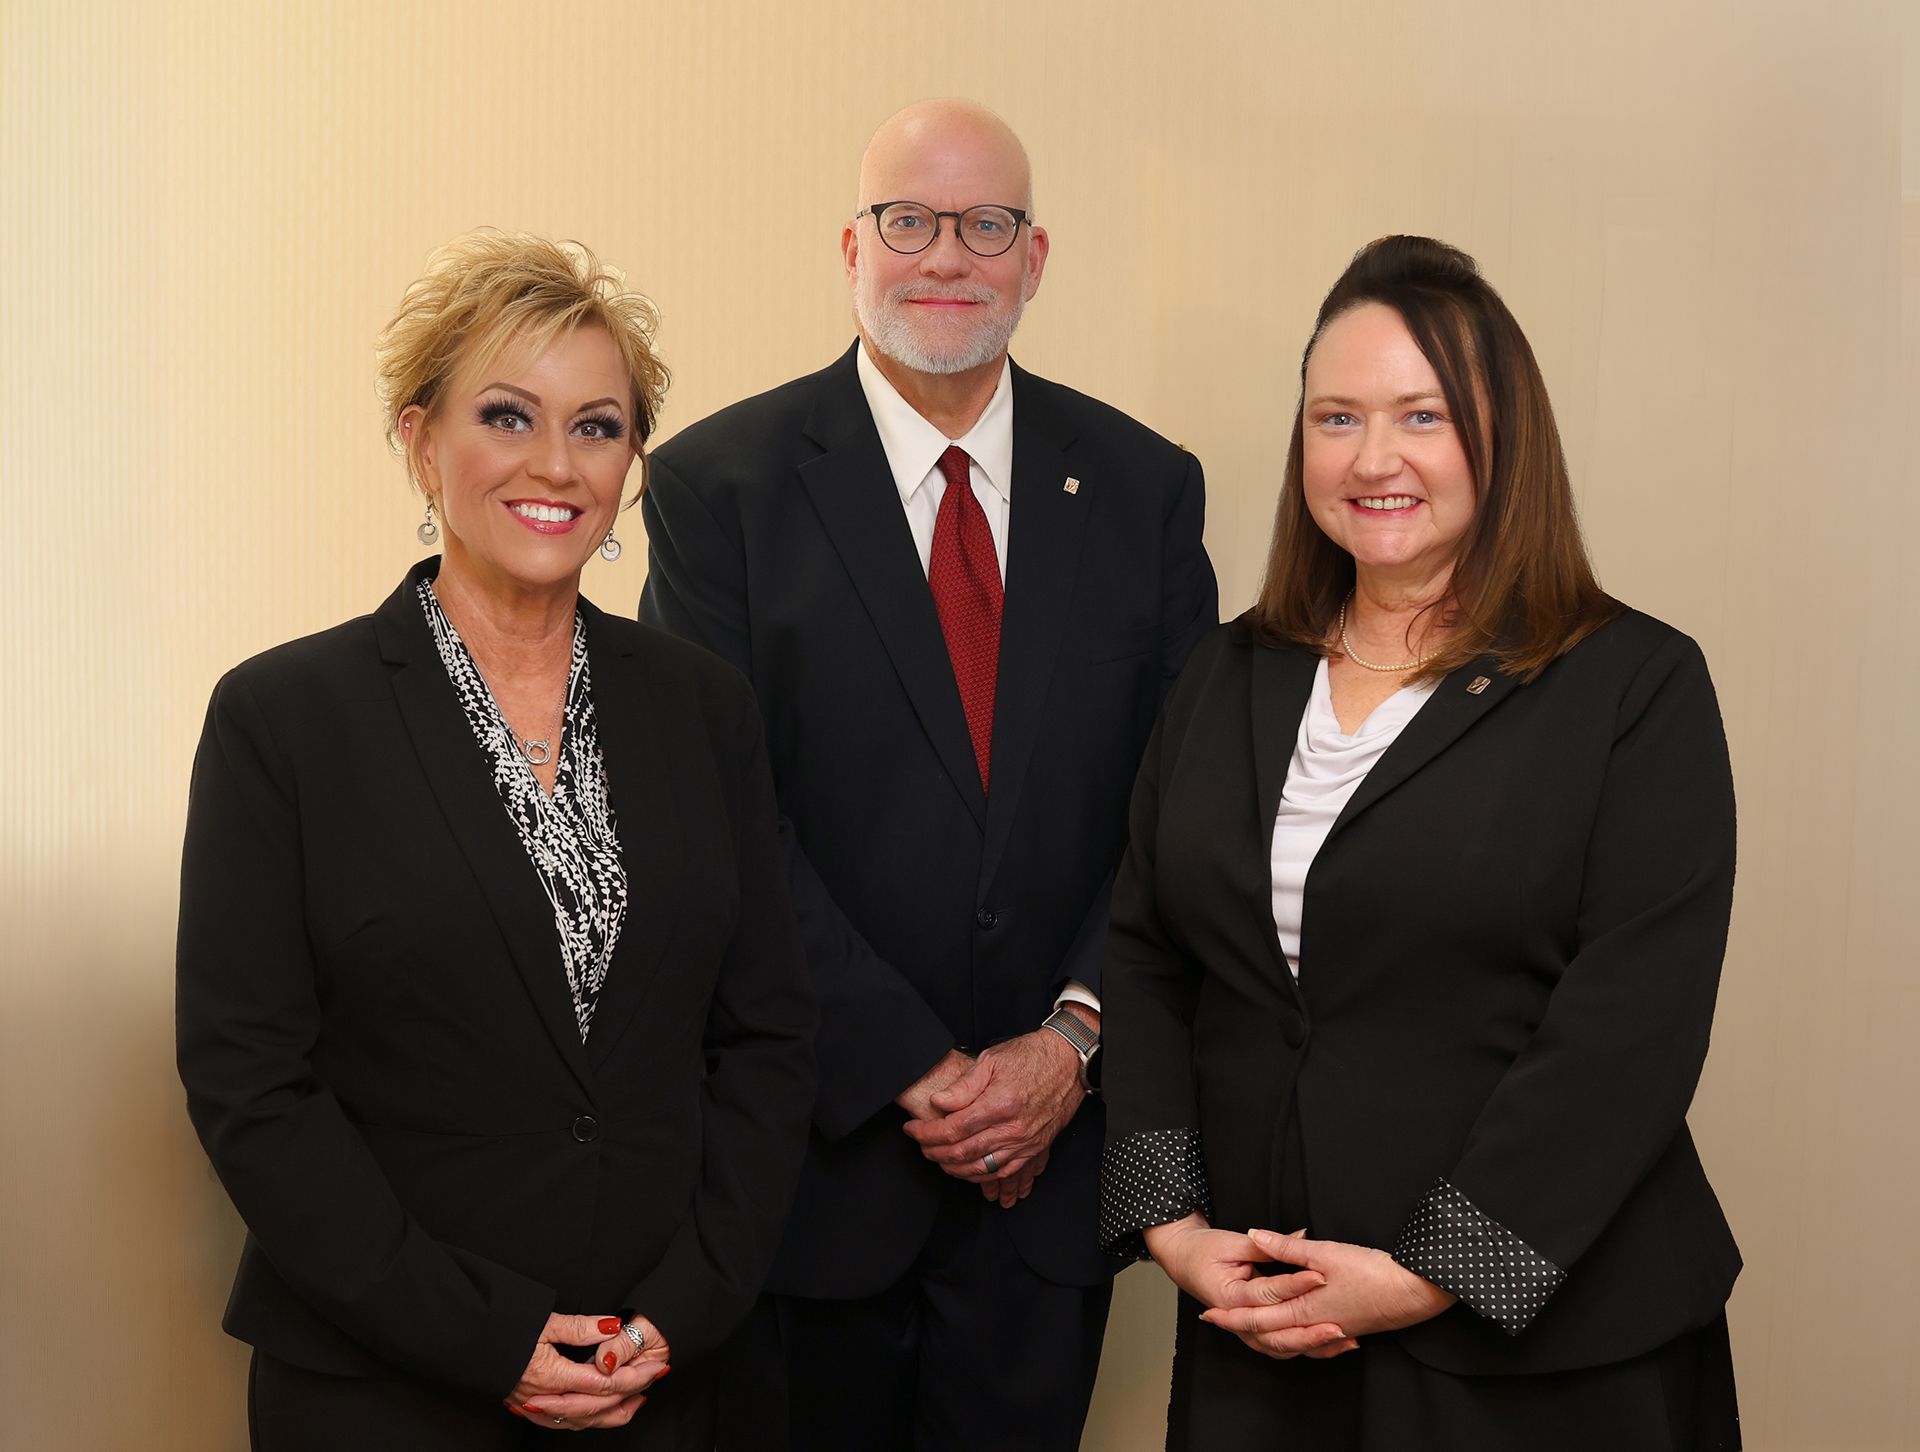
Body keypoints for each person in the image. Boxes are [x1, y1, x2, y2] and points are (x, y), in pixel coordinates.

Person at [639, 99, 1218, 1450]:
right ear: (853, 247)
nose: (945, 256)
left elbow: (1180, 806)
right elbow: (726, 823)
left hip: (1053, 1176)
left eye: (985, 224)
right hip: (818, 1170)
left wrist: (1072, 1043)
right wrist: (919, 1072)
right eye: (909, 221)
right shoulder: (720, 486)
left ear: (1035, 255)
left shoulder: (1142, 488)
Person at [1099, 235, 1741, 1450]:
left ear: (1504, 442)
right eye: (1335, 416)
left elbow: (1631, 1027)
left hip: (1539, 1350)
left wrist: (1433, 1272)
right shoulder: (1228, 673)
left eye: (1422, 415)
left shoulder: (1631, 686)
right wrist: (1172, 1225)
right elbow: (1144, 956)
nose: (1373, 457)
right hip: (1267, 1321)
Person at [176, 231, 815, 1450]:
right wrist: (485, 1335)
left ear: (632, 465)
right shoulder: (282, 718)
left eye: (598, 426)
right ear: (420, 442)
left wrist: (682, 1310)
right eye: (508, 415)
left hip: (670, 1377)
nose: (554, 464)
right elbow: (250, 1086)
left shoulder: (702, 707)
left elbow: (769, 1038)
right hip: (386, 1384)